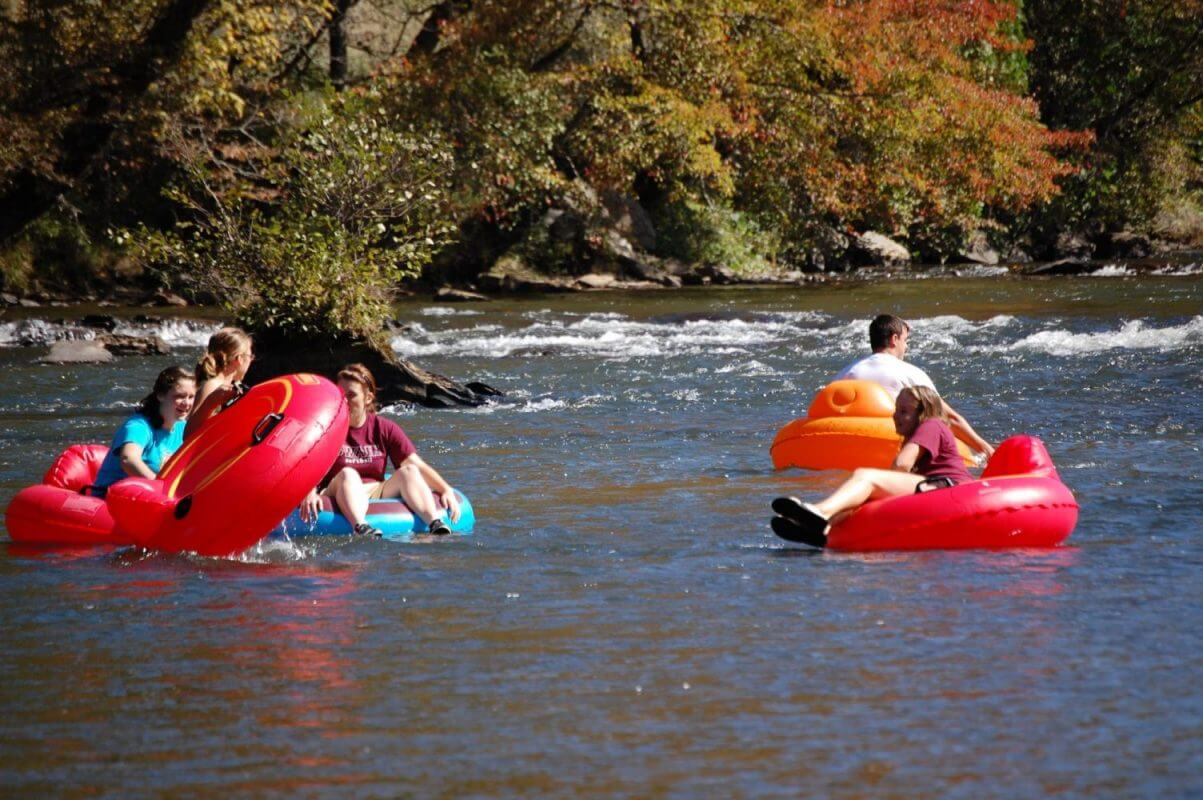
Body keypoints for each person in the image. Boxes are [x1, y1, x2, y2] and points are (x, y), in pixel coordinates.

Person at [772, 386, 973, 548]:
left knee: (866, 477)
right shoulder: (922, 432)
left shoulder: (932, 425)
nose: (896, 416)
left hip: (950, 488)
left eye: (904, 412)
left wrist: (882, 489)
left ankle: (820, 512)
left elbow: (902, 464)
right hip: (937, 488)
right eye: (896, 410)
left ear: (923, 414)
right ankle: (822, 531)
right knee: (862, 493)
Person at [300, 363, 461, 537]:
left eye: (352, 395)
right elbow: (309, 464)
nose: (345, 401)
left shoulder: (384, 428)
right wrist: (309, 492)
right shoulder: (326, 428)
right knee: (348, 473)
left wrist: (445, 489)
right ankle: (361, 526)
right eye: (341, 395)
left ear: (368, 398)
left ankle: (434, 522)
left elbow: (415, 463)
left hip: (375, 490)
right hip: (338, 490)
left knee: (409, 470)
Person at [835, 314, 994, 458]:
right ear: (894, 339)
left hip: (846, 447)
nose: (906, 347)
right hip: (893, 448)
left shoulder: (845, 373)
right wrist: (985, 449)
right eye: (905, 341)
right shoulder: (909, 373)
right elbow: (948, 418)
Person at [92, 366, 196, 495]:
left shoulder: (183, 428)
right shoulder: (139, 426)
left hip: (148, 499)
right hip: (111, 499)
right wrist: (161, 488)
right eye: (180, 396)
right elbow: (128, 459)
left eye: (191, 397)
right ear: (161, 395)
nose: (187, 403)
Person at [184, 327, 254, 440]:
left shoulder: (230, 385)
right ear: (239, 359)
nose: (251, 361)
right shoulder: (213, 385)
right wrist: (210, 402)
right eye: (250, 356)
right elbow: (188, 435)